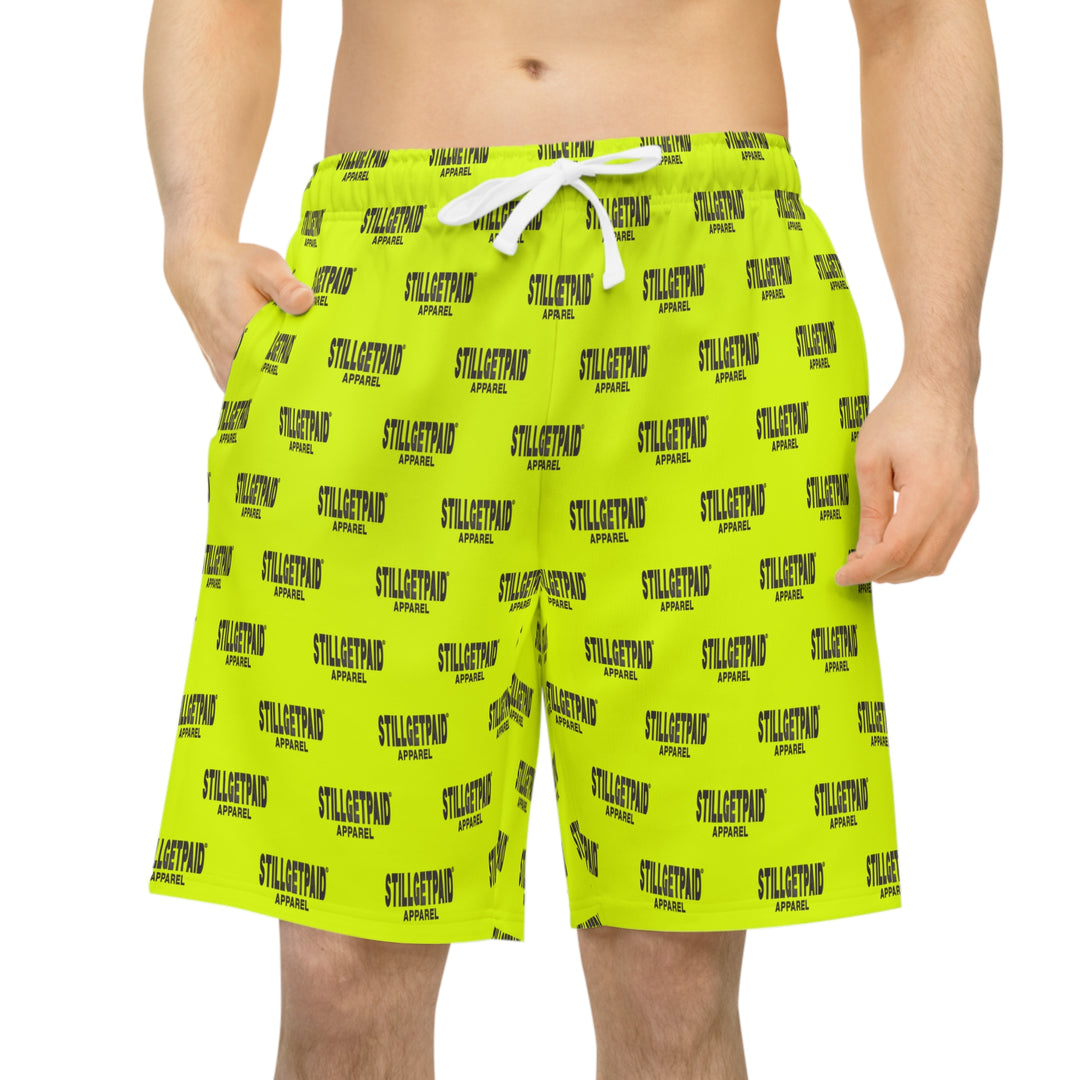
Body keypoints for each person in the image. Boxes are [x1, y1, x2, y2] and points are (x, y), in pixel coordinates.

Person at [143, 1, 1000, 1076]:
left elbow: (918, 19)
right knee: (340, 968)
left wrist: (943, 368)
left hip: (713, 291)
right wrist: (195, 231)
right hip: (384, 280)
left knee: (673, 976)